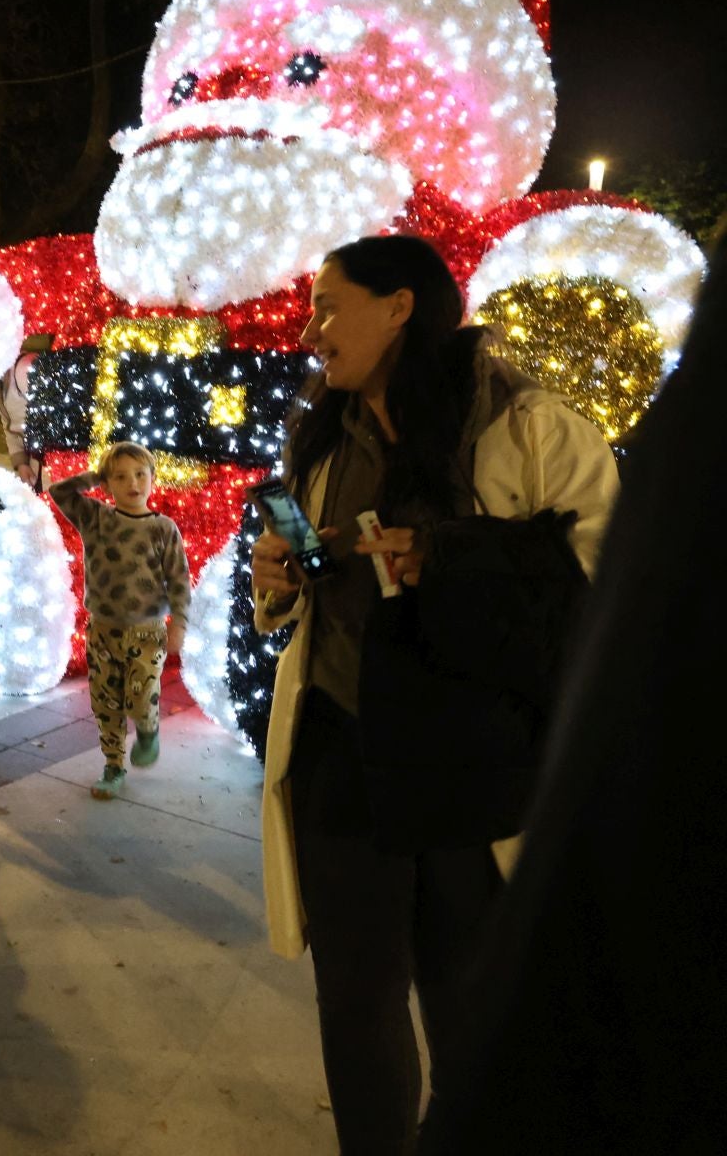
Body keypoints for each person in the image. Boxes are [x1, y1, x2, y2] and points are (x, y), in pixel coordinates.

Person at [247, 235, 618, 1154]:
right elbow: (309, 579)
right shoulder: (323, 433)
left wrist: (447, 557)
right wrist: (284, 577)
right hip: (345, 752)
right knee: (358, 1004)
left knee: (467, 1006)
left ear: (400, 305)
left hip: (471, 769)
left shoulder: (526, 423)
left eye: (330, 305)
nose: (312, 327)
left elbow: (603, 578)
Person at [416, 246, 724, 1153]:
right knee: (439, 971)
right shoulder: (355, 427)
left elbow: (595, 581)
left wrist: (464, 564)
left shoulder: (538, 425)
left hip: (508, 746)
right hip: (420, 755)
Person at [48, 442, 191, 799]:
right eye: (121, 476)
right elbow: (59, 491)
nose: (133, 483)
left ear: (153, 478)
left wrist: (180, 624)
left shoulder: (163, 528)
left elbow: (179, 580)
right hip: (103, 629)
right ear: (108, 483)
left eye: (141, 474)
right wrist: (96, 474)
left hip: (147, 632)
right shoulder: (96, 518)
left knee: (141, 699)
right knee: (106, 702)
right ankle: (113, 765)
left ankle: (147, 728)